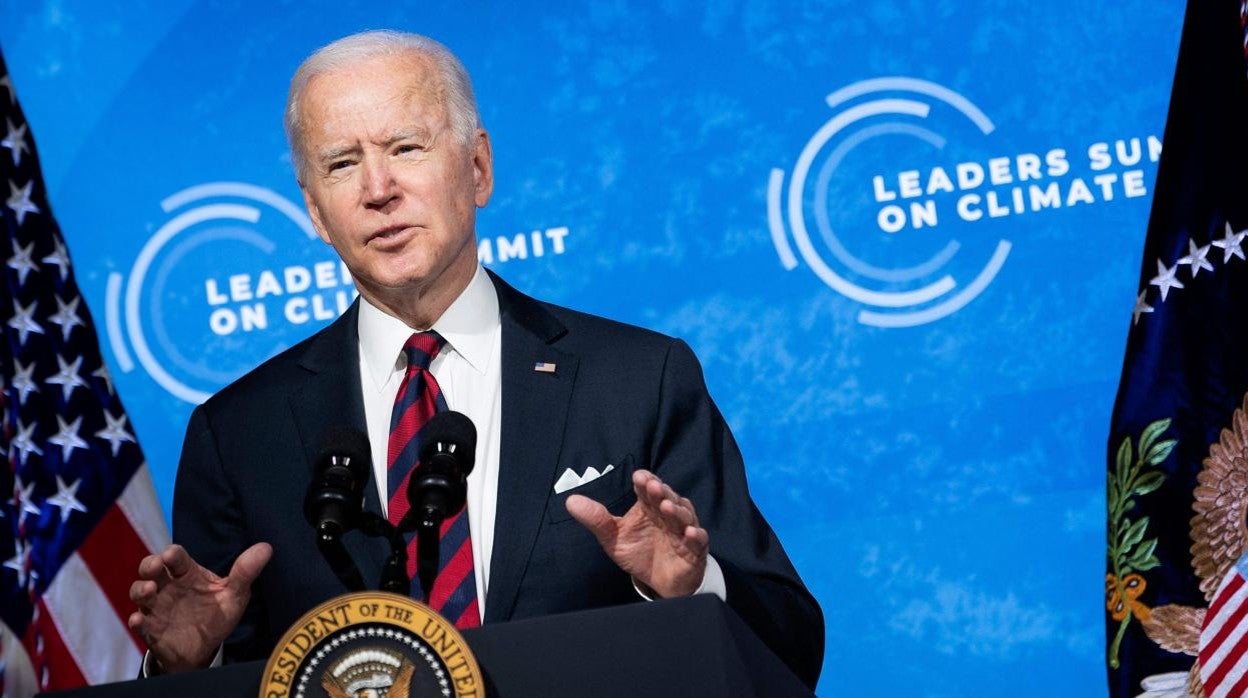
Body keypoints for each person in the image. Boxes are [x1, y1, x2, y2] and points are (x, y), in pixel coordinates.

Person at [128, 30, 824, 688]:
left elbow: (789, 645)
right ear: (315, 211)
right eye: (343, 164)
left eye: (405, 148)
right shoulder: (240, 433)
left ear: (478, 167)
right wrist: (189, 662)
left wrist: (686, 589)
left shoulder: (637, 379)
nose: (378, 190)